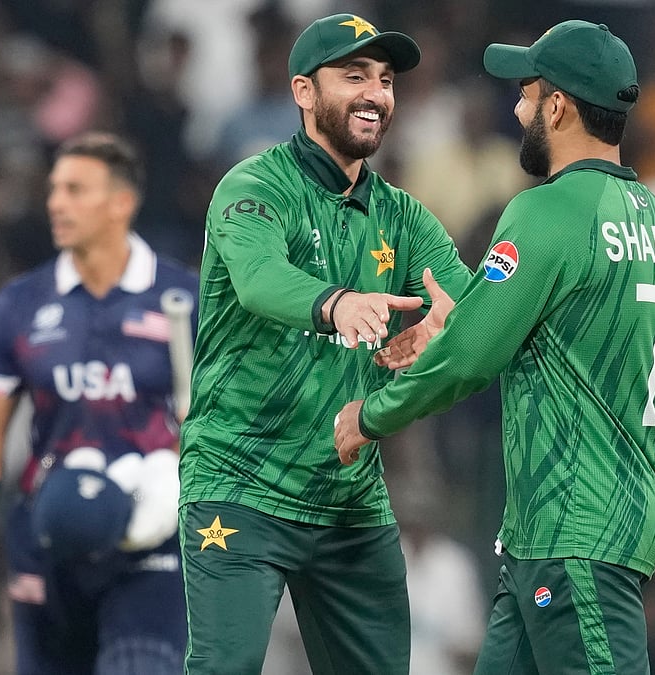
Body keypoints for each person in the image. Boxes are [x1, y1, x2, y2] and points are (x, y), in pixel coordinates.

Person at [335, 20, 655, 674]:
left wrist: (371, 416)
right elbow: (556, 327)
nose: (517, 108)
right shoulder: (651, 215)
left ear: (558, 105)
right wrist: (465, 313)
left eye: (526, 93)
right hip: (565, 525)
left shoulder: (546, 210)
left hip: (576, 522)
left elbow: (470, 359)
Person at [177, 12, 473, 674]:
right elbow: (259, 281)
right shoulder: (253, 186)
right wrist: (337, 302)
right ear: (303, 91)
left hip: (349, 500)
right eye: (353, 75)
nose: (374, 93)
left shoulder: (403, 215)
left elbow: (470, 304)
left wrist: (444, 323)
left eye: (386, 79)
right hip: (239, 486)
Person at [0, 132, 198, 675]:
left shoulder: (186, 299)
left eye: (76, 190)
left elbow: (232, 423)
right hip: (47, 536)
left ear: (121, 203)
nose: (56, 202)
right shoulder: (18, 305)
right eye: (55, 189)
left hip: (152, 543)